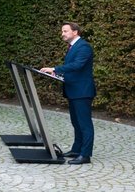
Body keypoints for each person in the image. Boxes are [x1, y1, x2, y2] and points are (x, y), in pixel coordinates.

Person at [41, 22, 96, 165]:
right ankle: (76, 149)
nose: (62, 34)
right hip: (73, 90)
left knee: (84, 124)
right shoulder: (72, 47)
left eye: (65, 31)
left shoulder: (83, 47)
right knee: (76, 123)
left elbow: (77, 65)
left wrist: (55, 69)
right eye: (62, 31)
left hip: (82, 92)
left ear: (75, 32)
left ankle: (85, 155)